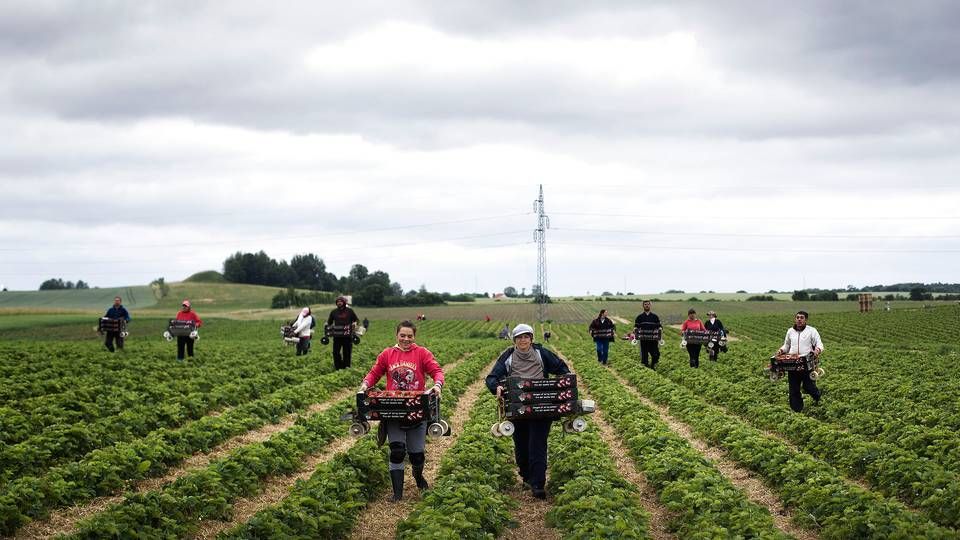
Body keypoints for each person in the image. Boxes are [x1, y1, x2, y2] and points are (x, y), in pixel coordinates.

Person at [359, 321, 444, 502]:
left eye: (409, 336)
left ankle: (418, 477)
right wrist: (366, 384)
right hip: (394, 409)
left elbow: (436, 371)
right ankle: (397, 494)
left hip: (416, 409)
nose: (406, 339)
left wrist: (437, 385)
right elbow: (375, 372)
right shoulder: (387, 354)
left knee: (416, 454)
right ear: (397, 335)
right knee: (397, 451)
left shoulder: (422, 353)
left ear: (414, 336)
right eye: (402, 335)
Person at [485, 323, 571, 500]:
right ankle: (526, 475)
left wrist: (563, 383)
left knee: (537, 444)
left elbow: (562, 368)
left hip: (542, 406)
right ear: (514, 340)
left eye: (526, 337)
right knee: (522, 443)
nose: (523, 340)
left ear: (531, 339)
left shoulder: (542, 354)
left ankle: (538, 484)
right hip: (518, 407)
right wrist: (498, 387)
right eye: (519, 337)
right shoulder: (508, 356)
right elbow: (492, 378)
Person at [777, 311, 824, 412]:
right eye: (797, 317)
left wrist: (817, 350)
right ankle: (797, 410)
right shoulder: (790, 331)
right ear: (795, 319)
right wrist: (781, 350)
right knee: (793, 389)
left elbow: (819, 344)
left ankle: (818, 398)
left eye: (801, 318)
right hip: (793, 364)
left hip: (807, 363)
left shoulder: (812, 331)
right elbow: (787, 345)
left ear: (806, 320)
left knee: (809, 387)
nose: (799, 319)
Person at [327, 296, 359, 370]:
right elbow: (329, 322)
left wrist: (354, 324)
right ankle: (338, 367)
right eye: (337, 302)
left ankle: (346, 367)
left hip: (347, 336)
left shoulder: (349, 311)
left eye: (340, 301)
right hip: (337, 336)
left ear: (344, 302)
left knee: (347, 352)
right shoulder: (333, 312)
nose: (339, 303)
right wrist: (328, 327)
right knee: (336, 353)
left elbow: (356, 320)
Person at [634, 300, 663, 368]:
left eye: (648, 304)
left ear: (650, 306)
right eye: (645, 304)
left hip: (653, 340)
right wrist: (635, 329)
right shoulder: (639, 317)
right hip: (643, 340)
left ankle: (652, 365)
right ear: (643, 306)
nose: (647, 305)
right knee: (644, 355)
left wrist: (660, 329)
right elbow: (636, 327)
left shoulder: (655, 317)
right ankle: (647, 367)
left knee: (656, 354)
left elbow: (659, 326)